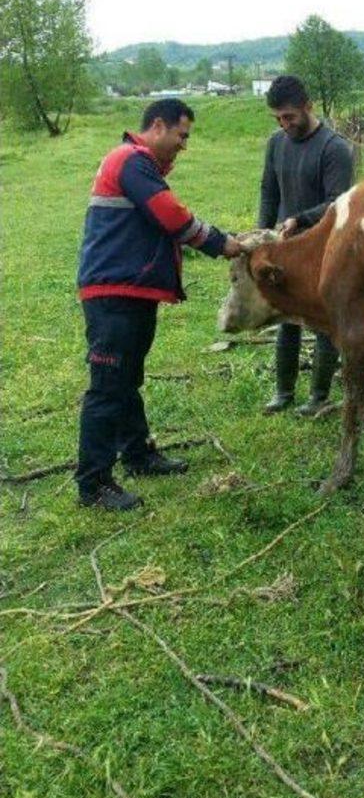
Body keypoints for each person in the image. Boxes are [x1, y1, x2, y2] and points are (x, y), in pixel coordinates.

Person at [76, 98, 242, 511]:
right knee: (107, 386)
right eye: (182, 135)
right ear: (158, 126)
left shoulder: (135, 163)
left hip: (131, 291)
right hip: (113, 293)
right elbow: (171, 216)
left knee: (126, 379)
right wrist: (224, 244)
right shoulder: (131, 160)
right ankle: (93, 483)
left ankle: (137, 455)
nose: (184, 146)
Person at [258, 75, 354, 415]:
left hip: (321, 249)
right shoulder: (275, 143)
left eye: (290, 117)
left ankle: (318, 397)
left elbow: (337, 202)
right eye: (279, 119)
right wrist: (262, 235)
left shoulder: (335, 148)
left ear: (308, 107)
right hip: (284, 247)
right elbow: (269, 192)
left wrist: (299, 219)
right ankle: (283, 392)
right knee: (286, 319)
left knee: (323, 323)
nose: (285, 125)